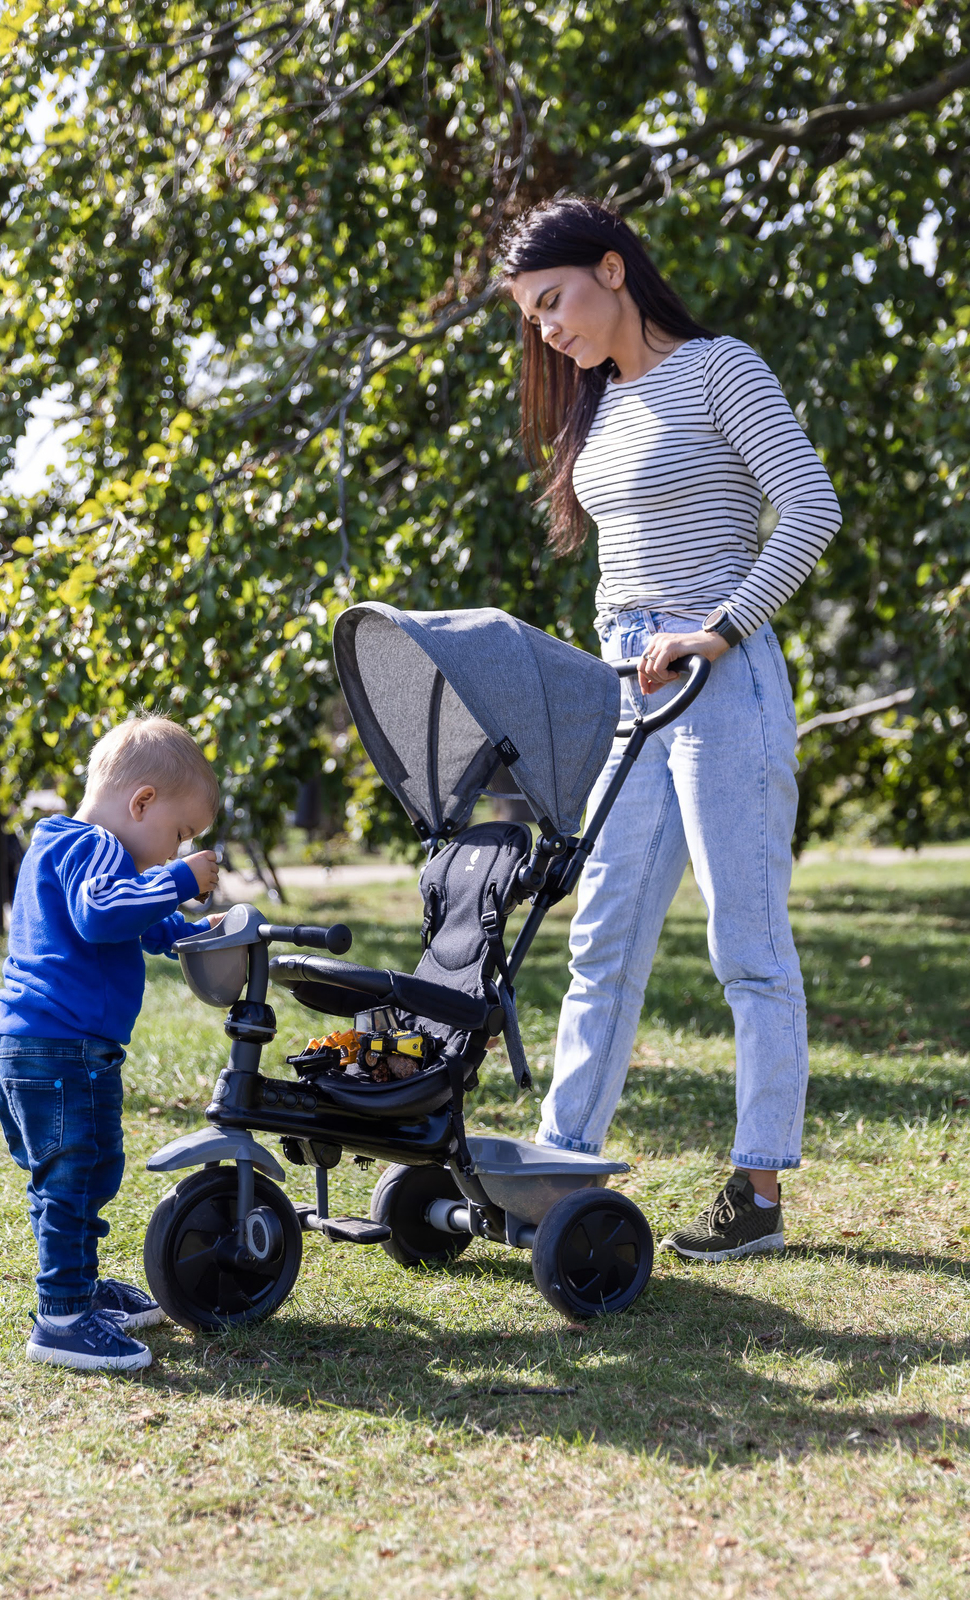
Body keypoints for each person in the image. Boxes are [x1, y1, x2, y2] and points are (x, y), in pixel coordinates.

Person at [501, 197, 841, 1262]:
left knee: (746, 942)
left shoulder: (719, 368)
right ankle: (561, 1161)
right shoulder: (598, 403)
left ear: (612, 270)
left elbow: (811, 506)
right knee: (601, 931)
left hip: (718, 681)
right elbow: (623, 558)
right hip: (628, 691)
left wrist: (719, 629)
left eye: (552, 301)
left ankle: (756, 1189)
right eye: (530, 316)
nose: (546, 329)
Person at [0, 715, 222, 1369]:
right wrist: (180, 879)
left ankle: (80, 1292)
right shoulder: (97, 848)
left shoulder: (60, 846)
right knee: (77, 1180)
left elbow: (128, 923)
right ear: (141, 801)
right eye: (177, 834)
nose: (173, 851)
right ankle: (63, 1317)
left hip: (32, 1049)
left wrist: (184, 931)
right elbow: (102, 913)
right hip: (65, 1052)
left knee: (75, 1178)